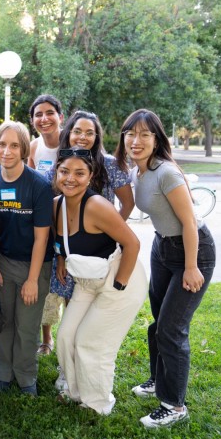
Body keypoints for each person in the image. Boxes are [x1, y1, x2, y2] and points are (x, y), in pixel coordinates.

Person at [115, 109, 216, 428]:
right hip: (162, 247)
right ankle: (159, 381)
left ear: (157, 139)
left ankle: (174, 406)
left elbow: (189, 222)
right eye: (131, 133)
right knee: (158, 325)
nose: (137, 140)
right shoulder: (138, 171)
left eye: (145, 134)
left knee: (172, 330)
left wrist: (190, 267)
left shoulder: (166, 173)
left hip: (192, 251)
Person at [52, 147, 148, 415]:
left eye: (79, 173)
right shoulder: (56, 205)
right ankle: (75, 390)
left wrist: (118, 285)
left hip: (119, 279)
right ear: (56, 173)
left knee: (91, 343)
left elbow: (132, 243)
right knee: (66, 336)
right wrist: (61, 259)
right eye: (64, 171)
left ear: (90, 176)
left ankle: (97, 404)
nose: (71, 178)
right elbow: (61, 240)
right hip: (86, 281)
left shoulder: (97, 206)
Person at [39, 110, 135, 356]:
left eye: (89, 132)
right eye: (77, 131)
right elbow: (54, 217)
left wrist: (110, 233)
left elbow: (127, 203)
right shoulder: (59, 166)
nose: (83, 137)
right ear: (68, 133)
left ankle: (85, 349)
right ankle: (54, 343)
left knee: (90, 305)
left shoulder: (109, 165)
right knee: (68, 295)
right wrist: (60, 255)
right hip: (68, 248)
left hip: (97, 251)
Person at [0, 122, 53, 396]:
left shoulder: (39, 185)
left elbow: (41, 238)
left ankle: (26, 379)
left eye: (14, 145)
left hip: (34, 265)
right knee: (5, 323)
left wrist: (33, 279)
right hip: (1, 264)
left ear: (24, 148)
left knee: (26, 327)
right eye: (2, 144)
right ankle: (2, 374)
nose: (7, 151)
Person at [28, 94, 64, 174]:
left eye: (50, 113)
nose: (44, 119)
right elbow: (30, 182)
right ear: (32, 121)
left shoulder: (72, 142)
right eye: (38, 115)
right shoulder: (33, 147)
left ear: (61, 118)